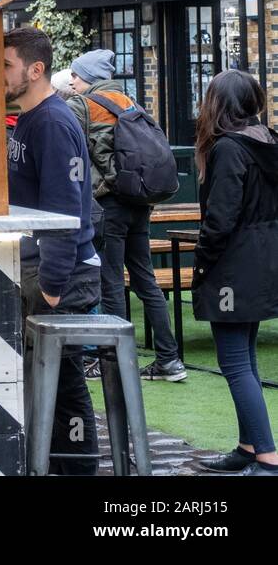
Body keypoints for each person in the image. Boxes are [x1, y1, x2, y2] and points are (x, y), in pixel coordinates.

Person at [3, 26, 101, 475]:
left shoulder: (53, 122)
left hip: (63, 273)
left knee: (63, 389)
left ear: (35, 69)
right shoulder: (28, 117)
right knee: (49, 386)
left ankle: (78, 471)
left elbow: (65, 211)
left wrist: (53, 286)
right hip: (42, 268)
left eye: (6, 65)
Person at [67, 49, 187, 382]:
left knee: (111, 283)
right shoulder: (128, 101)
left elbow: (64, 146)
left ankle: (117, 364)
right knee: (145, 280)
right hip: (139, 201)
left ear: (88, 76)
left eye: (75, 75)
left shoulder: (83, 106)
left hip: (110, 205)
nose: (72, 81)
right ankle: (169, 360)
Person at [192, 70, 278, 475]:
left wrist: (203, 260)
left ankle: (265, 455)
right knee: (245, 358)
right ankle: (248, 447)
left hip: (232, 265)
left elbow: (220, 219)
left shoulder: (228, 149)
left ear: (217, 104)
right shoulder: (267, 141)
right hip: (262, 262)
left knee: (236, 362)